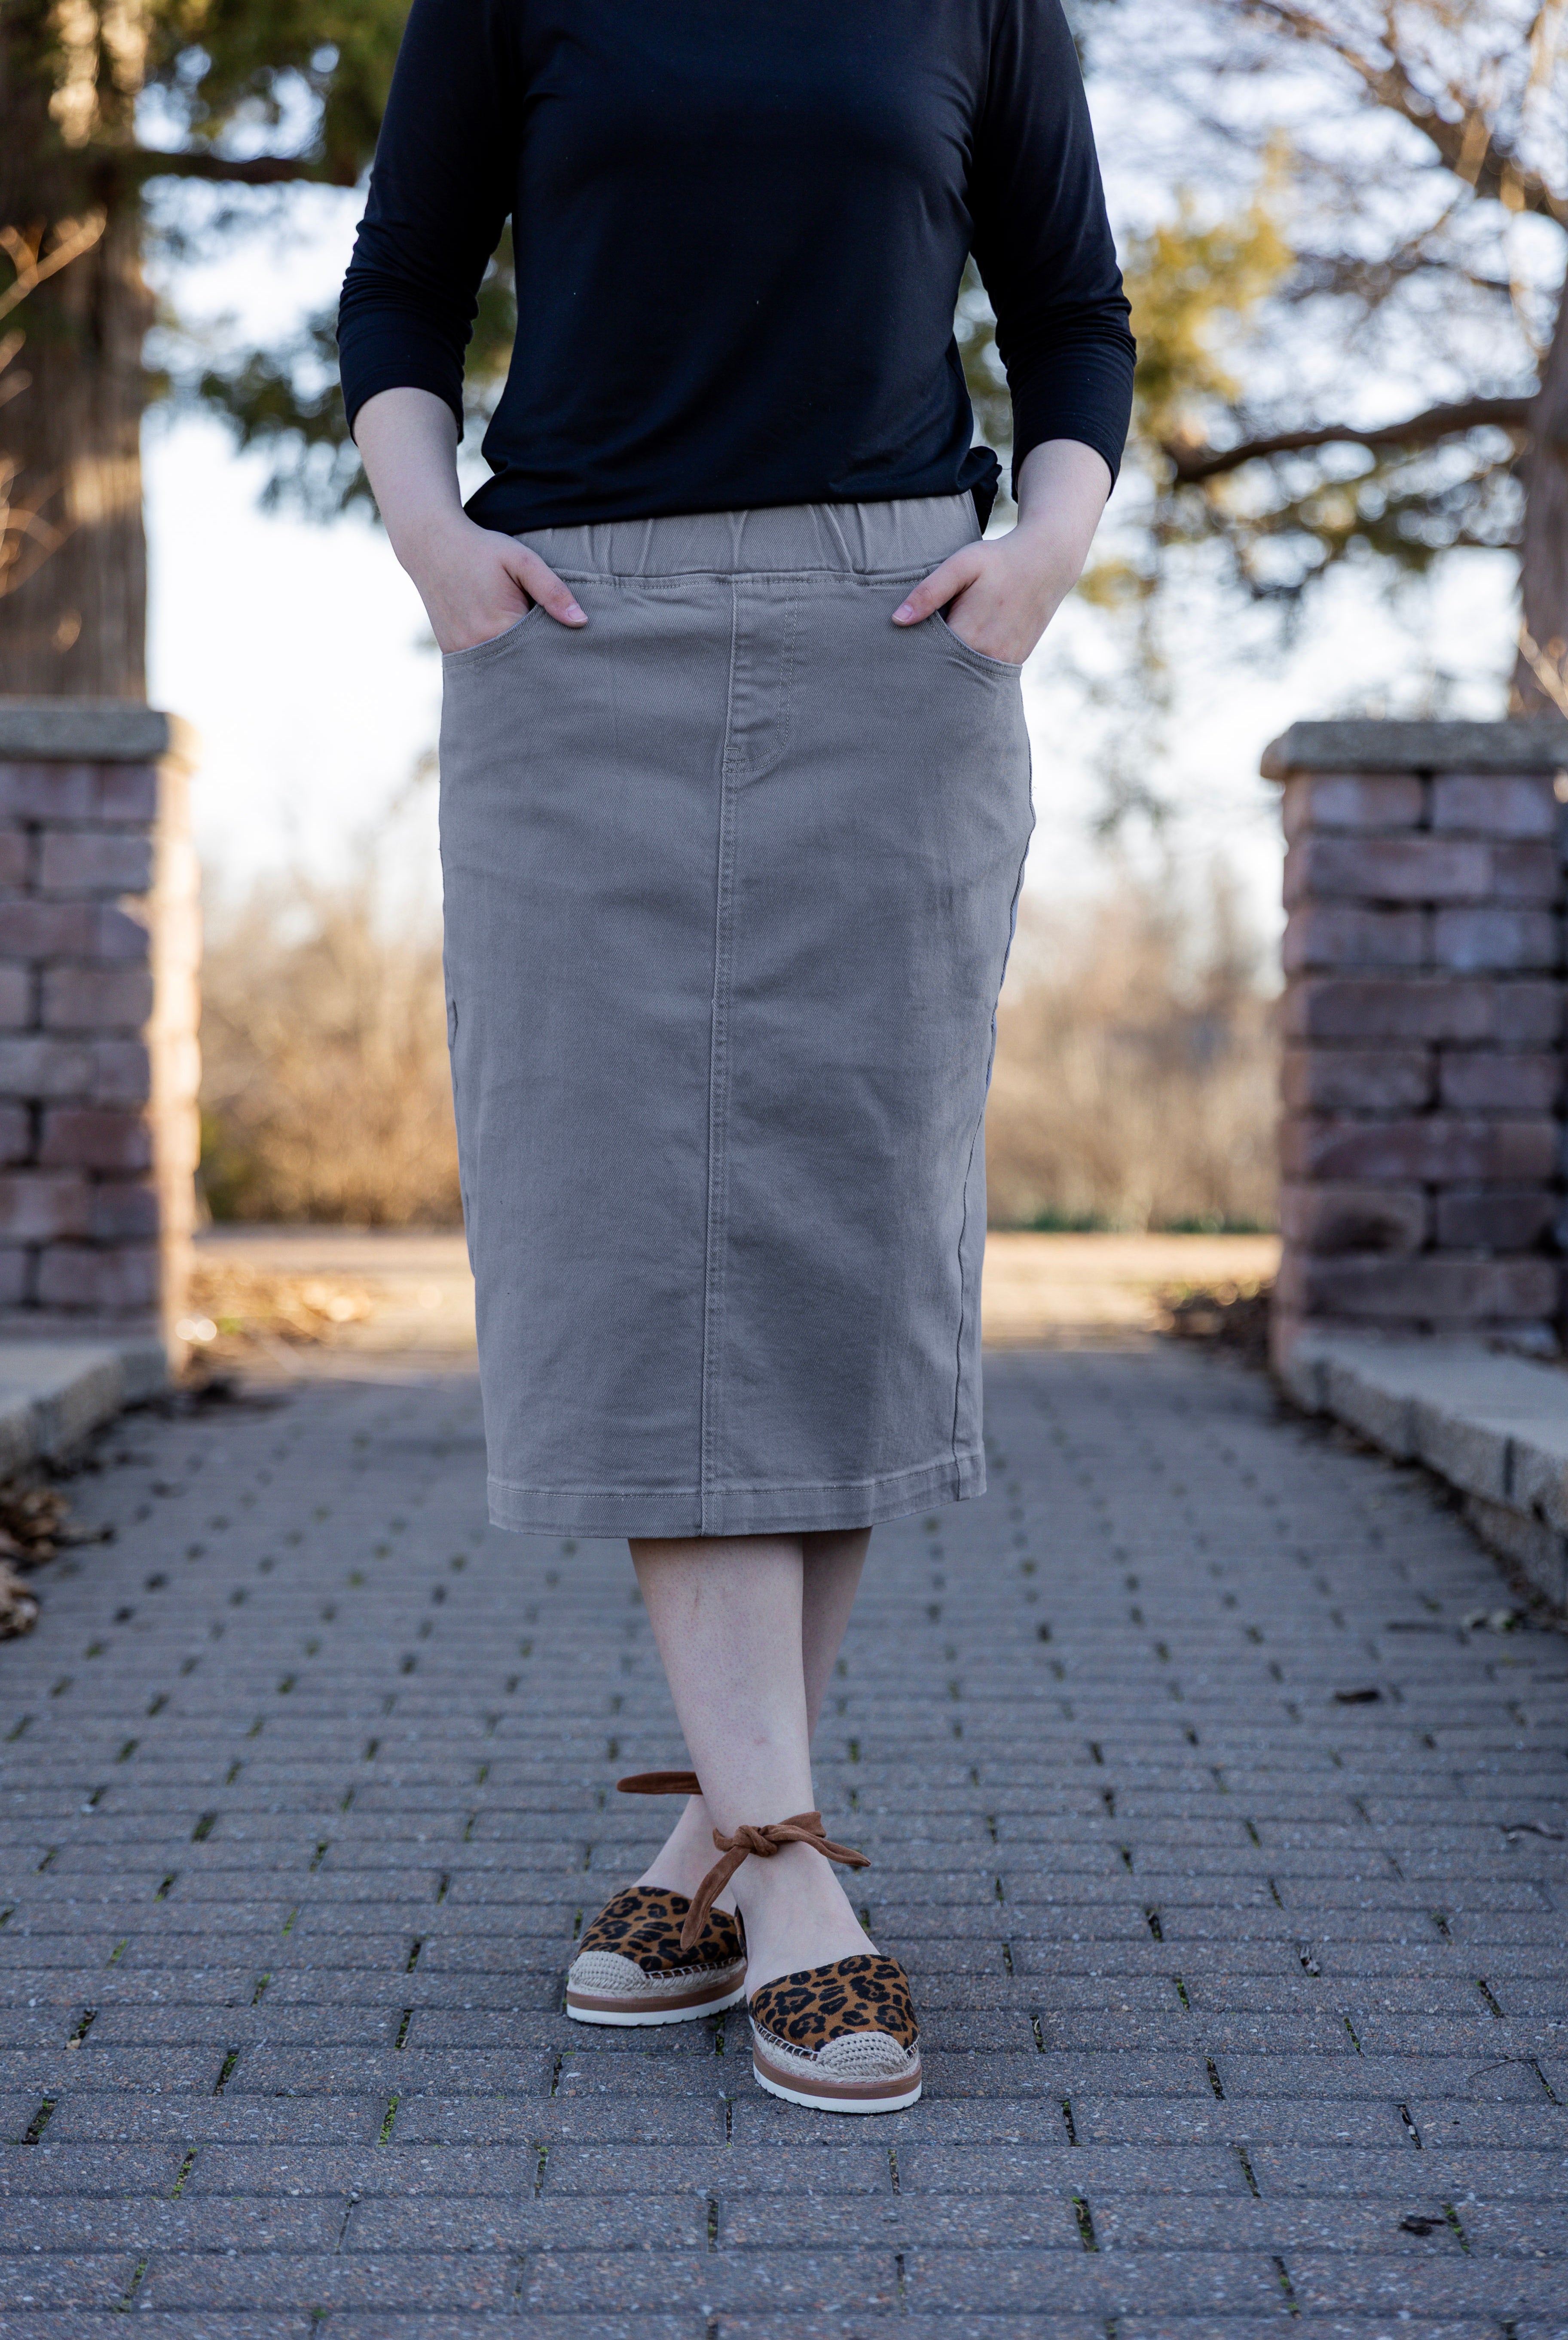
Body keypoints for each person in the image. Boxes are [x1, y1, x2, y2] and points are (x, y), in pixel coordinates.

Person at [338, 0, 1134, 2116]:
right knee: (629, 1239)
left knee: (827, 1251)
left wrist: (1037, 555)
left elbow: (1074, 312)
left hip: (897, 642)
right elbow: (402, 287)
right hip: (568, 639)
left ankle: (716, 1843)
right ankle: (791, 1879)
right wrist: (437, 545)